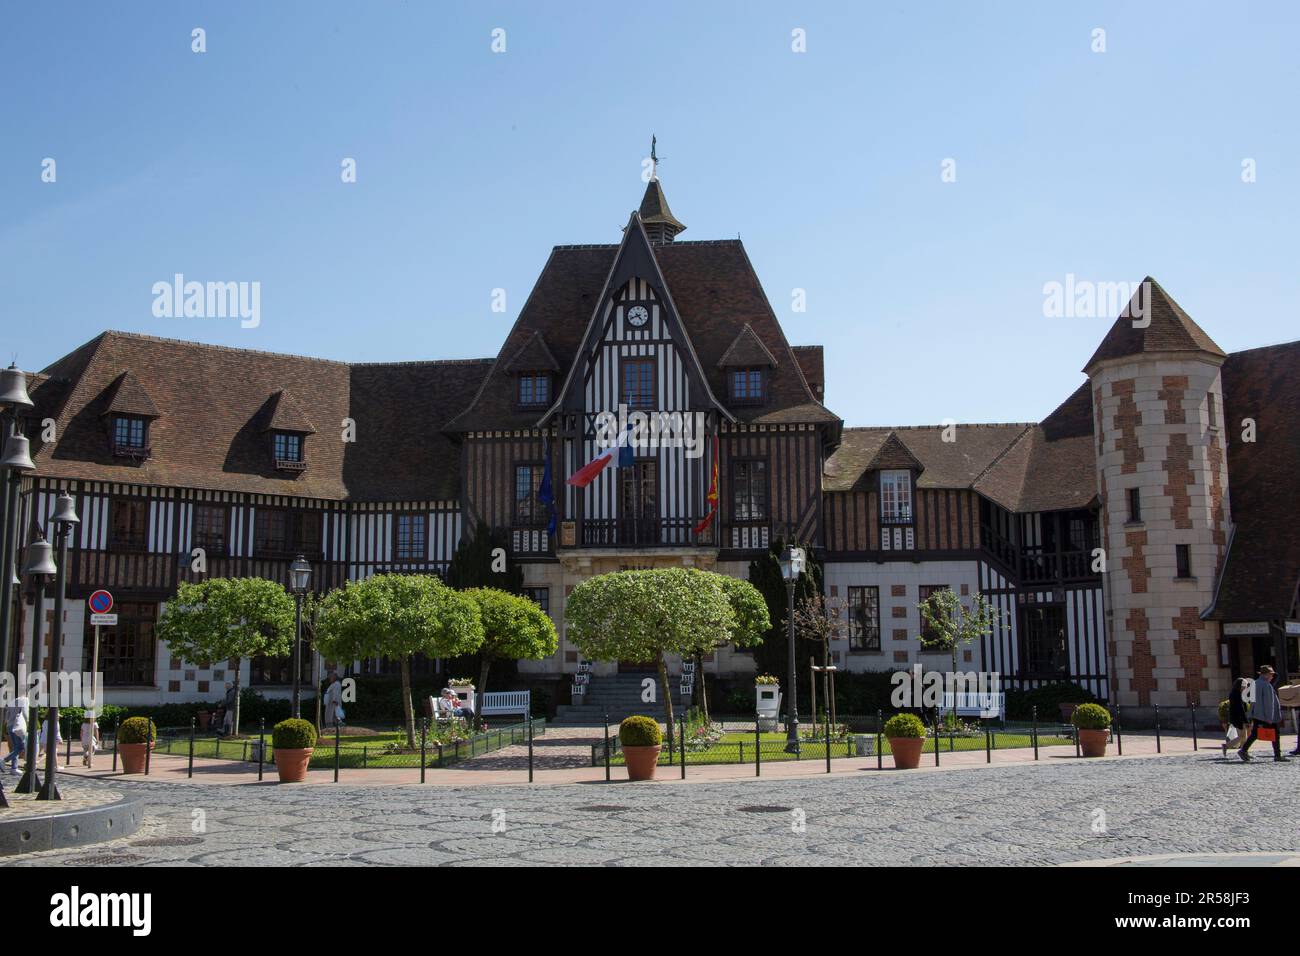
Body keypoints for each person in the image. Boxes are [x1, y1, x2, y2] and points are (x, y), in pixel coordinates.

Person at [1240, 665, 1289, 762]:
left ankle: (1244, 750)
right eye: (1271, 675)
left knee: (1255, 734)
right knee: (1275, 734)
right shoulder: (1266, 685)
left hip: (1257, 714)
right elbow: (1268, 703)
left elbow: (1252, 701)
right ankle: (1277, 755)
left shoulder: (1255, 683)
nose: (1272, 677)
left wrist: (1251, 714)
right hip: (1266, 715)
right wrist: (1270, 717)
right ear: (1266, 675)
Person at [1223, 677, 1249, 757]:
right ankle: (1227, 746)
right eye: (1244, 686)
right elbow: (1240, 708)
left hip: (1237, 718)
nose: (1245, 688)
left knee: (1244, 737)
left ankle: (1244, 752)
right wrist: (1245, 720)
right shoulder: (1236, 694)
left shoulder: (1235, 693)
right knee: (1242, 737)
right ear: (1240, 686)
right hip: (1238, 718)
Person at [3, 695, 27, 774]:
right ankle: (3, 760)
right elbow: (25, 713)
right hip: (18, 726)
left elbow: (6, 715)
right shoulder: (24, 699)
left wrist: (6, 724)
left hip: (10, 725)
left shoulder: (11, 701)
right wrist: (29, 723)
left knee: (15, 748)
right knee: (20, 748)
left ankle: (14, 768)